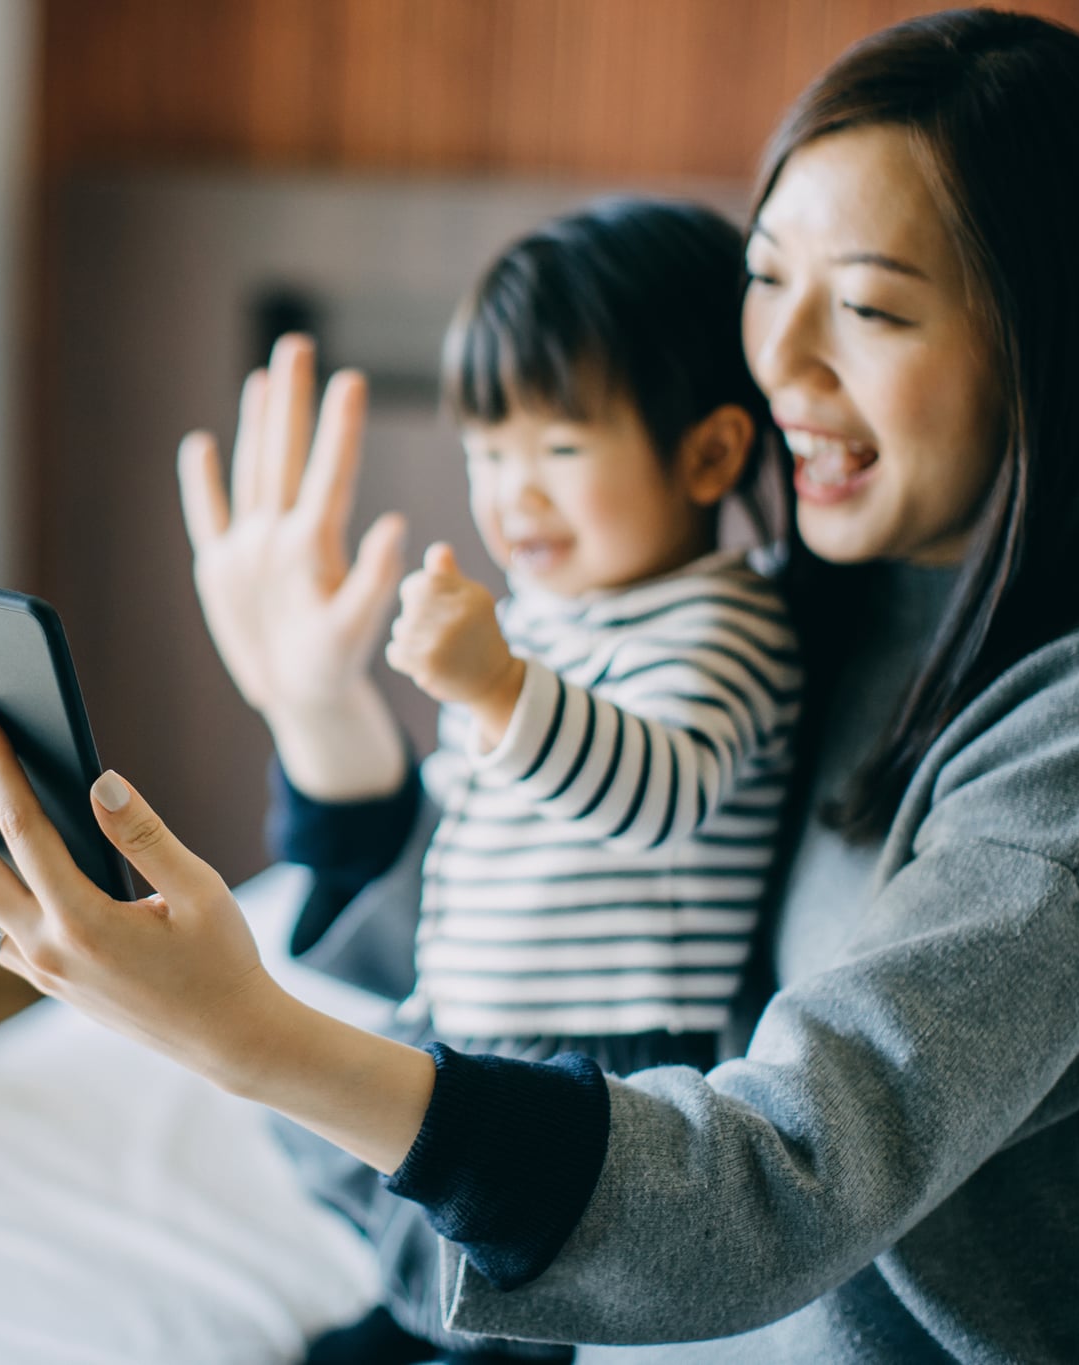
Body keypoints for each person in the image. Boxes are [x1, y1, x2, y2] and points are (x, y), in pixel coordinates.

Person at [0, 9, 1079, 1360]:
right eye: (766, 279)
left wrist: (251, 1037)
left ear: (1055, 343)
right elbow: (533, 940)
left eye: (868, 307)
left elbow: (781, 1182)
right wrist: (319, 714)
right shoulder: (807, 595)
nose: (782, 365)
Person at [280, 198, 801, 1365]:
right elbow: (479, 818)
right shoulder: (553, 620)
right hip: (489, 1015)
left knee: (525, 1272)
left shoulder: (722, 625)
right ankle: (415, 1320)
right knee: (407, 1197)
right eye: (487, 452)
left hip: (611, 1046)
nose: (513, 494)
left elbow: (658, 795)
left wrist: (496, 688)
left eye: (560, 449)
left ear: (708, 452)